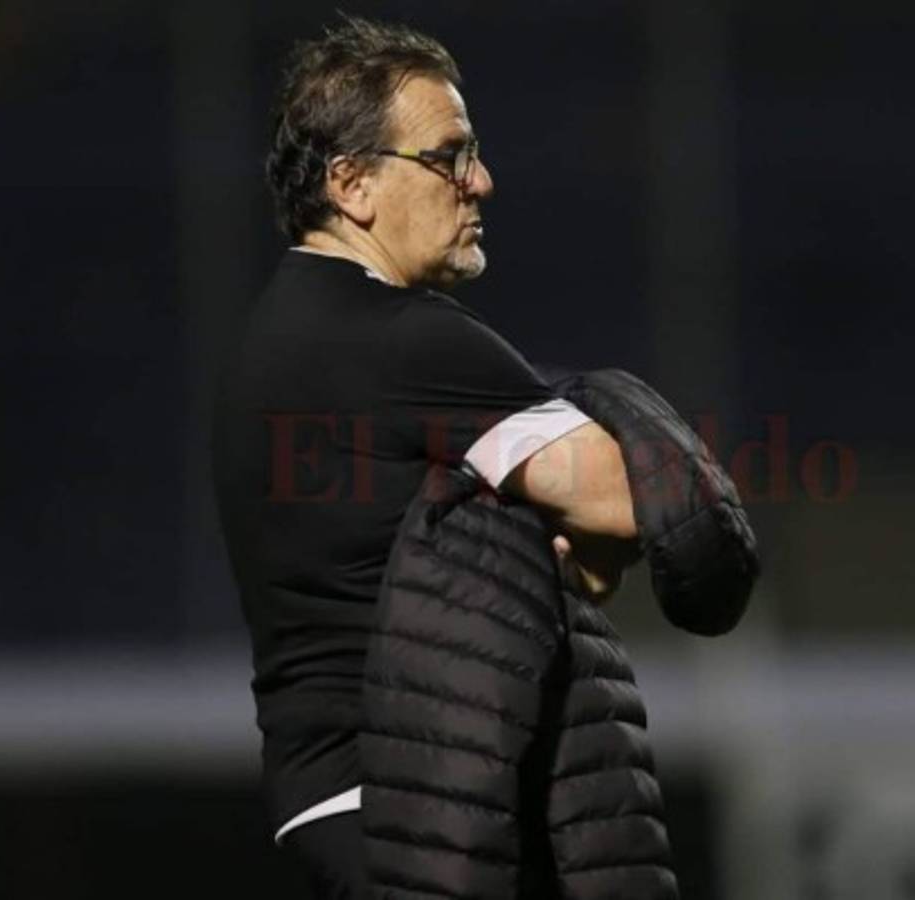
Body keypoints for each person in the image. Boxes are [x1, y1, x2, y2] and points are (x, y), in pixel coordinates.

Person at [212, 14, 656, 896]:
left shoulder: (272, 333)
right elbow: (634, 498)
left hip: (331, 796)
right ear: (352, 183)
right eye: (447, 156)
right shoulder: (399, 338)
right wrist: (585, 541)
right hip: (423, 808)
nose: (480, 181)